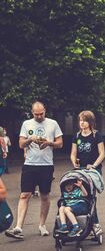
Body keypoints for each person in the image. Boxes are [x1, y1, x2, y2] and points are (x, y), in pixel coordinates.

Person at [6, 101, 63, 240]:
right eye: (36, 114)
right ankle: (18, 227)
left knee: (45, 196)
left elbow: (60, 143)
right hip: (30, 165)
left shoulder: (53, 123)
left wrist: (49, 143)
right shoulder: (27, 124)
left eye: (41, 113)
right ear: (32, 112)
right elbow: (20, 144)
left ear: (45, 110)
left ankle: (42, 225)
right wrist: (30, 139)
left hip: (46, 165)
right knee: (24, 195)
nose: (39, 116)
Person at [70, 110, 105, 235]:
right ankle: (82, 222)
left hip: (93, 170)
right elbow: (73, 153)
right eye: (80, 120)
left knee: (90, 197)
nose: (82, 123)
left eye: (84, 120)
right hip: (80, 170)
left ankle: (95, 223)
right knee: (79, 196)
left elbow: (102, 153)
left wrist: (94, 165)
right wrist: (74, 162)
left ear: (90, 122)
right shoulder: (77, 136)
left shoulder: (96, 135)